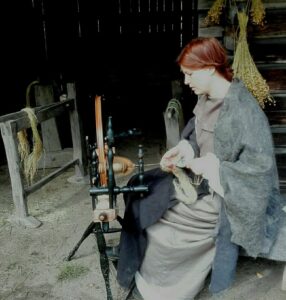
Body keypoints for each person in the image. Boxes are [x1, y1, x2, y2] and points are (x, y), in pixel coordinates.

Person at [116, 37, 285, 300]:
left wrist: (209, 167)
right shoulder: (208, 99)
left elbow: (258, 174)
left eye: (189, 74)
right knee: (140, 186)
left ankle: (161, 288)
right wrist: (185, 149)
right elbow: (198, 134)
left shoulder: (244, 110)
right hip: (203, 182)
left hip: (227, 198)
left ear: (209, 68)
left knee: (155, 217)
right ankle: (140, 267)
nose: (186, 81)